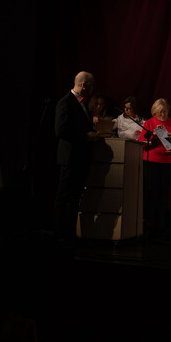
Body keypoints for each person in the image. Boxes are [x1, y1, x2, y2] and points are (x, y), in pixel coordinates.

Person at [54, 71, 98, 242]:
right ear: (84, 85)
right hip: (70, 158)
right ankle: (60, 235)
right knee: (64, 197)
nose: (93, 89)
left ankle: (70, 234)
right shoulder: (65, 103)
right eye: (92, 85)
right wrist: (87, 136)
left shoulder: (82, 104)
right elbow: (61, 130)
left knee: (74, 198)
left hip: (81, 158)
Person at [141, 98, 171, 239]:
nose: (163, 114)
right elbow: (141, 143)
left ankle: (161, 224)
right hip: (151, 161)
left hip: (168, 162)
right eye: (160, 112)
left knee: (164, 194)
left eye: (165, 111)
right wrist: (152, 139)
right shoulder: (149, 123)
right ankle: (148, 224)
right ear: (154, 112)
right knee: (151, 193)